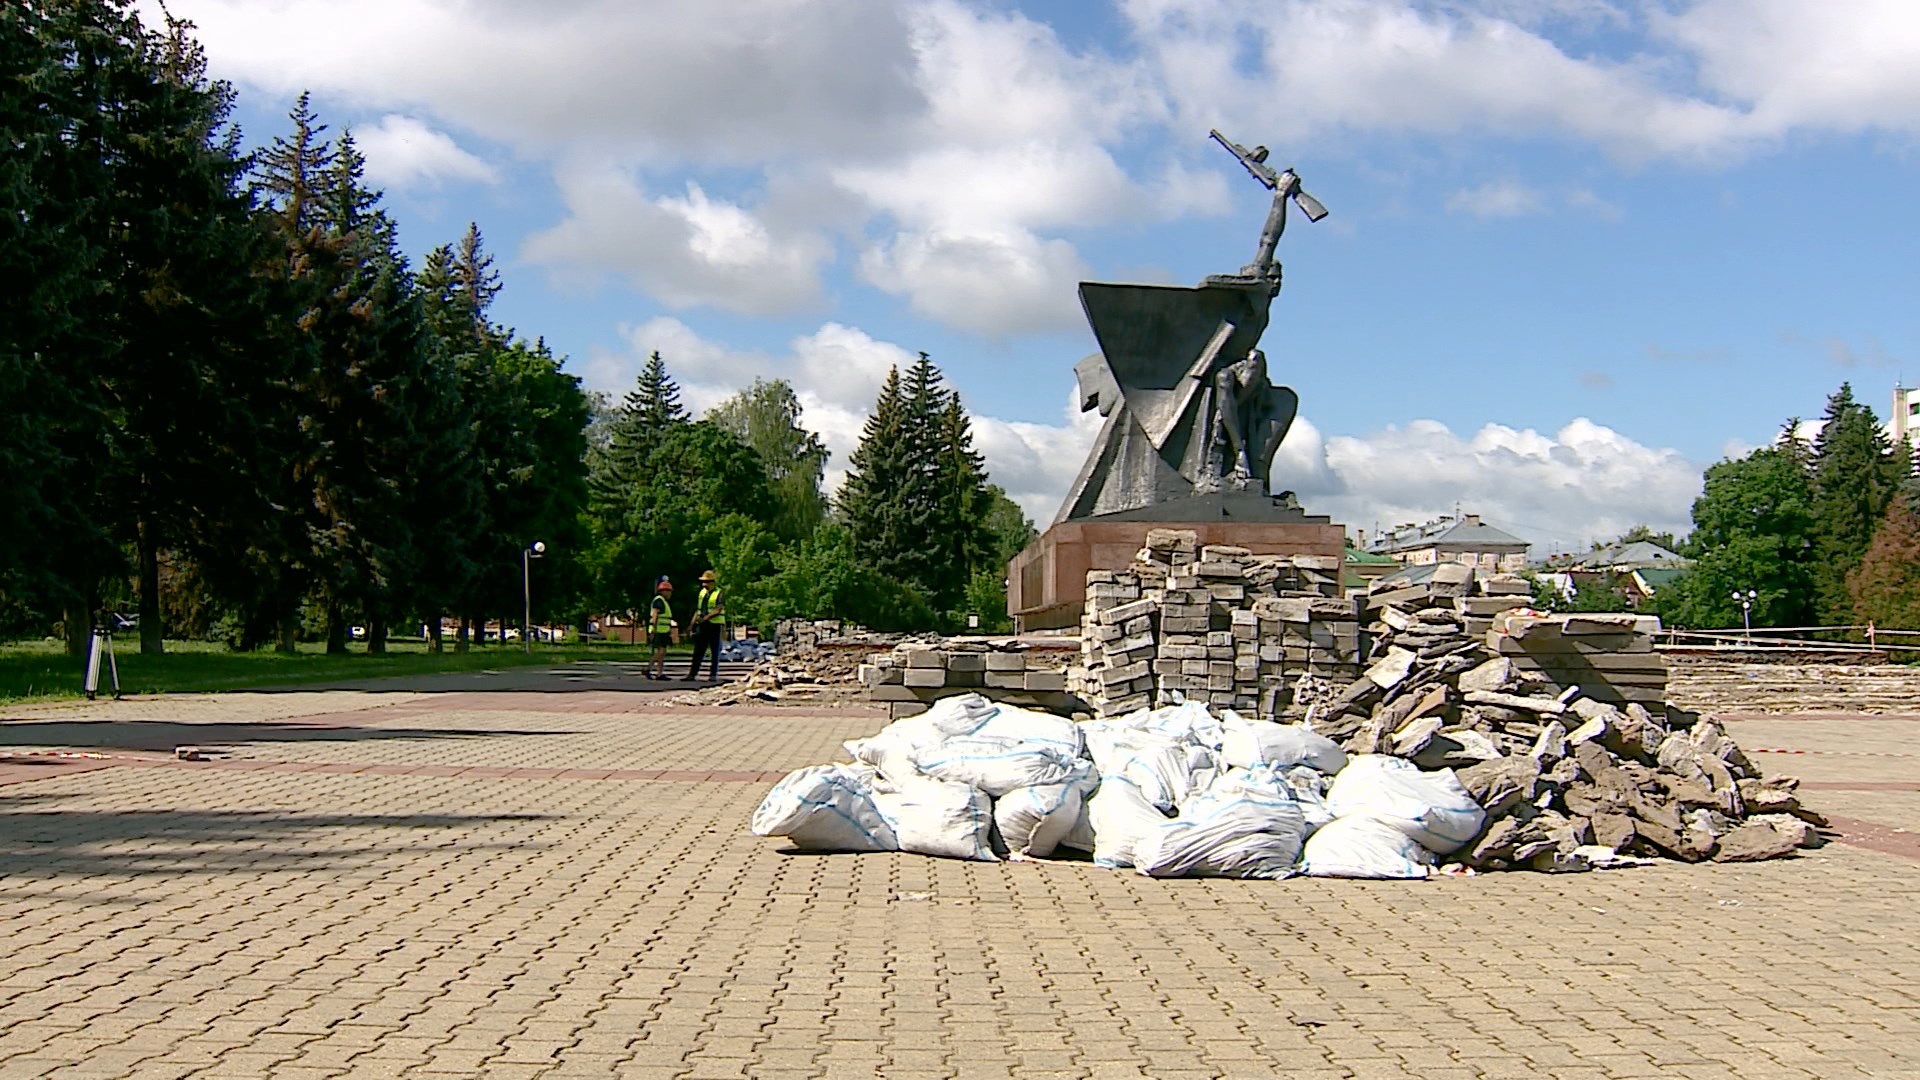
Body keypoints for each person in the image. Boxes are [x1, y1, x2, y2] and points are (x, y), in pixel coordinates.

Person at [684, 570, 726, 683]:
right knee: (698, 650)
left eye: (706, 582)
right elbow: (698, 610)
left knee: (714, 651)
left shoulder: (719, 593)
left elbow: (718, 609)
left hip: (715, 625)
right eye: (703, 582)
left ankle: (712, 675)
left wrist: (706, 617)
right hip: (702, 625)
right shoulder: (702, 593)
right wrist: (691, 625)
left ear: (712, 582)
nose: (704, 584)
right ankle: (692, 674)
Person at [645, 577, 676, 680]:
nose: (670, 593)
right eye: (669, 591)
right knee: (661, 652)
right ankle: (648, 668)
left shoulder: (664, 601)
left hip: (664, 630)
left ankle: (659, 673)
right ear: (663, 591)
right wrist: (653, 629)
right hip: (658, 630)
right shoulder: (658, 601)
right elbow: (655, 615)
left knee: (662, 653)